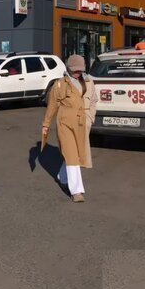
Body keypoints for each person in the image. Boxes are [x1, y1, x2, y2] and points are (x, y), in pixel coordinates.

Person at [42, 54, 97, 203]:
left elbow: (93, 101)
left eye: (80, 70)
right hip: (65, 123)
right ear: (68, 68)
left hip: (82, 123)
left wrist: (90, 118)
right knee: (72, 155)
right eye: (75, 70)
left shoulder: (89, 82)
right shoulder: (60, 84)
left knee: (75, 153)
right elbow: (52, 105)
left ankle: (62, 175)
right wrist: (46, 124)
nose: (77, 73)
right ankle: (77, 191)